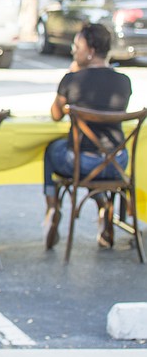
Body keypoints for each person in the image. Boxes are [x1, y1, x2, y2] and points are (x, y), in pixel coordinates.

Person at [42, 23, 131, 250]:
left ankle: (52, 206)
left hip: (82, 163)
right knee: (95, 165)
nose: (74, 50)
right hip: (117, 162)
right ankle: (104, 205)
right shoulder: (124, 81)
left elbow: (55, 114)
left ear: (90, 50)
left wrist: (71, 75)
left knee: (53, 149)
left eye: (77, 45)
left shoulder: (72, 79)